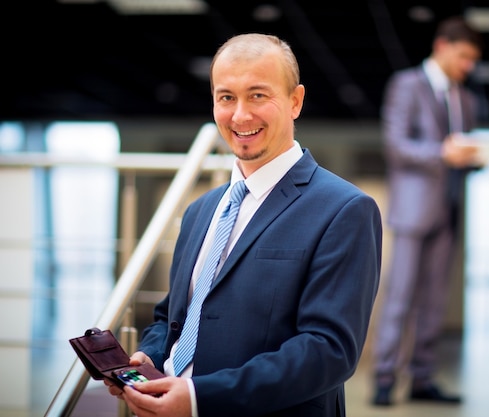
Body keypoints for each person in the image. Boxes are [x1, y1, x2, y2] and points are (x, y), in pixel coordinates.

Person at [104, 33, 383, 417]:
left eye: (257, 95)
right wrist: (147, 358)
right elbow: (173, 317)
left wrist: (200, 398)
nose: (240, 116)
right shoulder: (201, 210)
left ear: (295, 101)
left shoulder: (345, 209)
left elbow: (328, 350)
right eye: (226, 97)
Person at [371, 16, 484, 406]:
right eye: (464, 56)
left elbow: (464, 153)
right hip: (413, 210)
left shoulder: (466, 99)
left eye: (472, 60)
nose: (468, 66)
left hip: (449, 210)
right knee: (399, 296)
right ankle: (384, 379)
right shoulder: (407, 85)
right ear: (442, 46)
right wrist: (442, 153)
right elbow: (396, 145)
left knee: (435, 302)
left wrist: (479, 155)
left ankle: (422, 378)